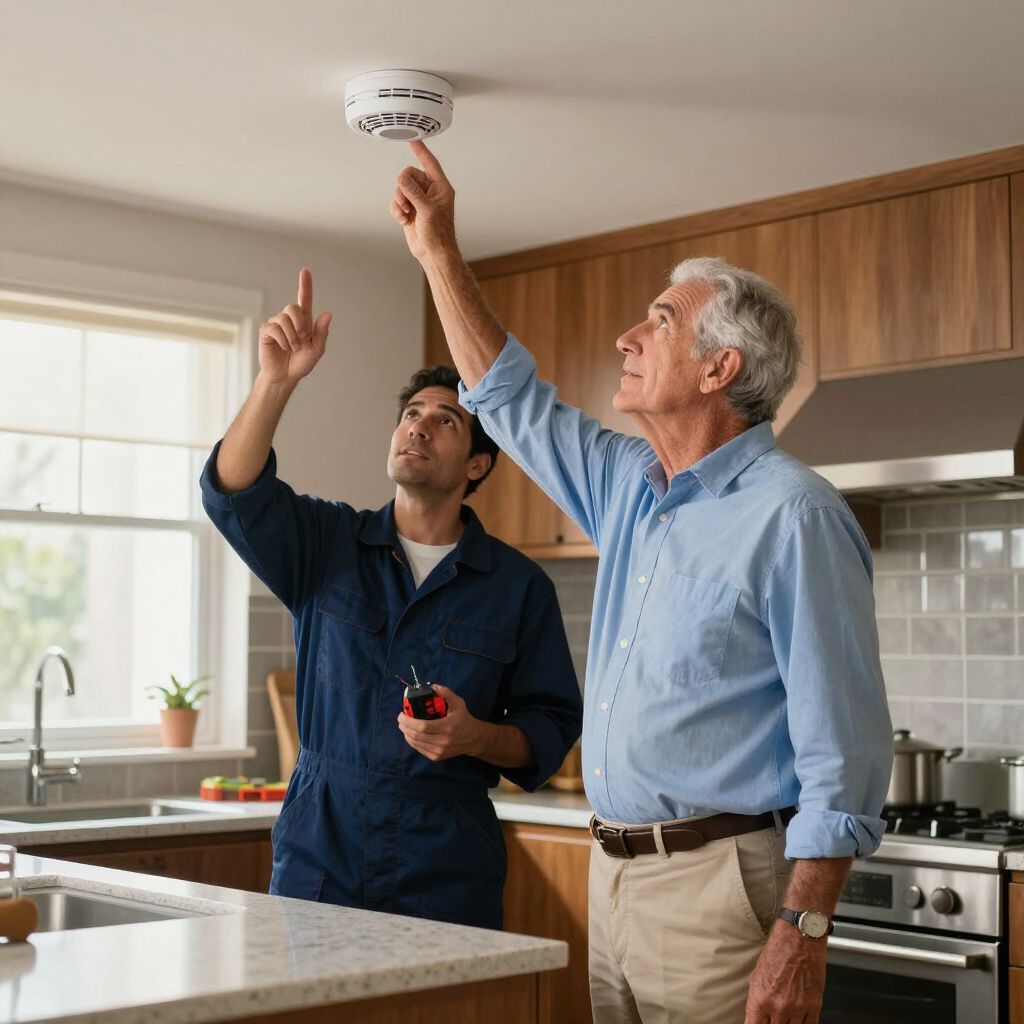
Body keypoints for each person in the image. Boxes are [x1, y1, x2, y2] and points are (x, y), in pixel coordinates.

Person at [389, 143, 893, 1022]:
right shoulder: (629, 484)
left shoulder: (794, 516)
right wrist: (437, 252)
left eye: (658, 320)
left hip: (720, 890)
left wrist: (802, 931)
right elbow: (507, 399)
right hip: (614, 877)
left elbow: (843, 755)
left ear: (719, 368)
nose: (627, 336)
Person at [200, 269, 583, 930]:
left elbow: (549, 730)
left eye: (445, 422)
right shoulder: (327, 544)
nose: (419, 429)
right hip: (323, 851)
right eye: (411, 415)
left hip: (447, 862)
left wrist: (477, 736)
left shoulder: (518, 588)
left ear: (476, 466)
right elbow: (232, 493)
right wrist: (277, 380)